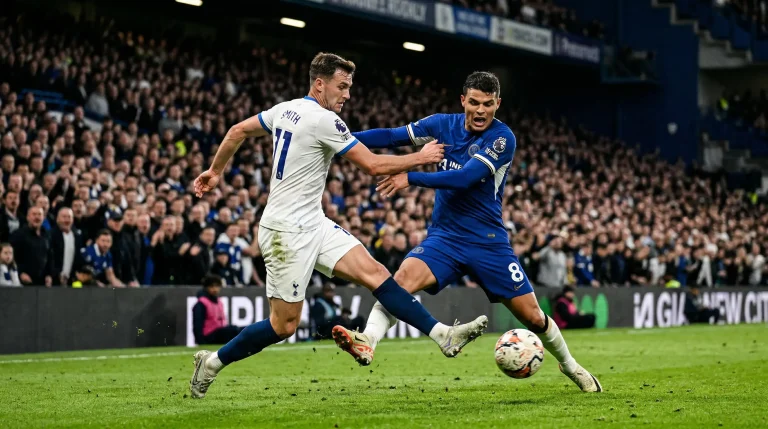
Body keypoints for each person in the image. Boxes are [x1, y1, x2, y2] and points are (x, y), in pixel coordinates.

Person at [189, 52, 487, 399]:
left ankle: (441, 335)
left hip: (313, 221)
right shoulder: (324, 121)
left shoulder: (284, 109)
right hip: (286, 232)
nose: (347, 95)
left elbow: (238, 130)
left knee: (377, 274)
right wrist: (421, 157)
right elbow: (374, 166)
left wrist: (216, 170)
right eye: (341, 87)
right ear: (319, 83)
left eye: (349, 87)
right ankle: (210, 364)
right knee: (282, 325)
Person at [338, 71, 601, 392]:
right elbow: (391, 137)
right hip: (445, 238)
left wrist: (412, 175)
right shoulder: (441, 125)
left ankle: (571, 366)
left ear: (497, 104)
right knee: (401, 282)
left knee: (533, 317)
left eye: (488, 105)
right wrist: (339, 137)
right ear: (463, 100)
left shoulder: (502, 139)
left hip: (488, 243)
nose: (480, 111)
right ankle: (368, 340)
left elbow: (465, 178)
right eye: (474, 102)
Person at [192, 275, 243, 345]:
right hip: (209, 336)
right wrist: (201, 342)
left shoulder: (219, 302)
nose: (215, 289)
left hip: (219, 332)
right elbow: (197, 325)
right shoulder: (201, 304)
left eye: (217, 286)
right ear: (206, 288)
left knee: (238, 329)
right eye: (212, 287)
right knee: (233, 331)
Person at [9, 207, 52, 286]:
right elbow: (12, 257)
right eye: (34, 214)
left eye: (39, 214)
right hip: (24, 281)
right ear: (28, 217)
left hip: (43, 282)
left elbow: (50, 256)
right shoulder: (18, 234)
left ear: (43, 217)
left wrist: (49, 275)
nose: (37, 217)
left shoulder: (47, 234)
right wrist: (20, 273)